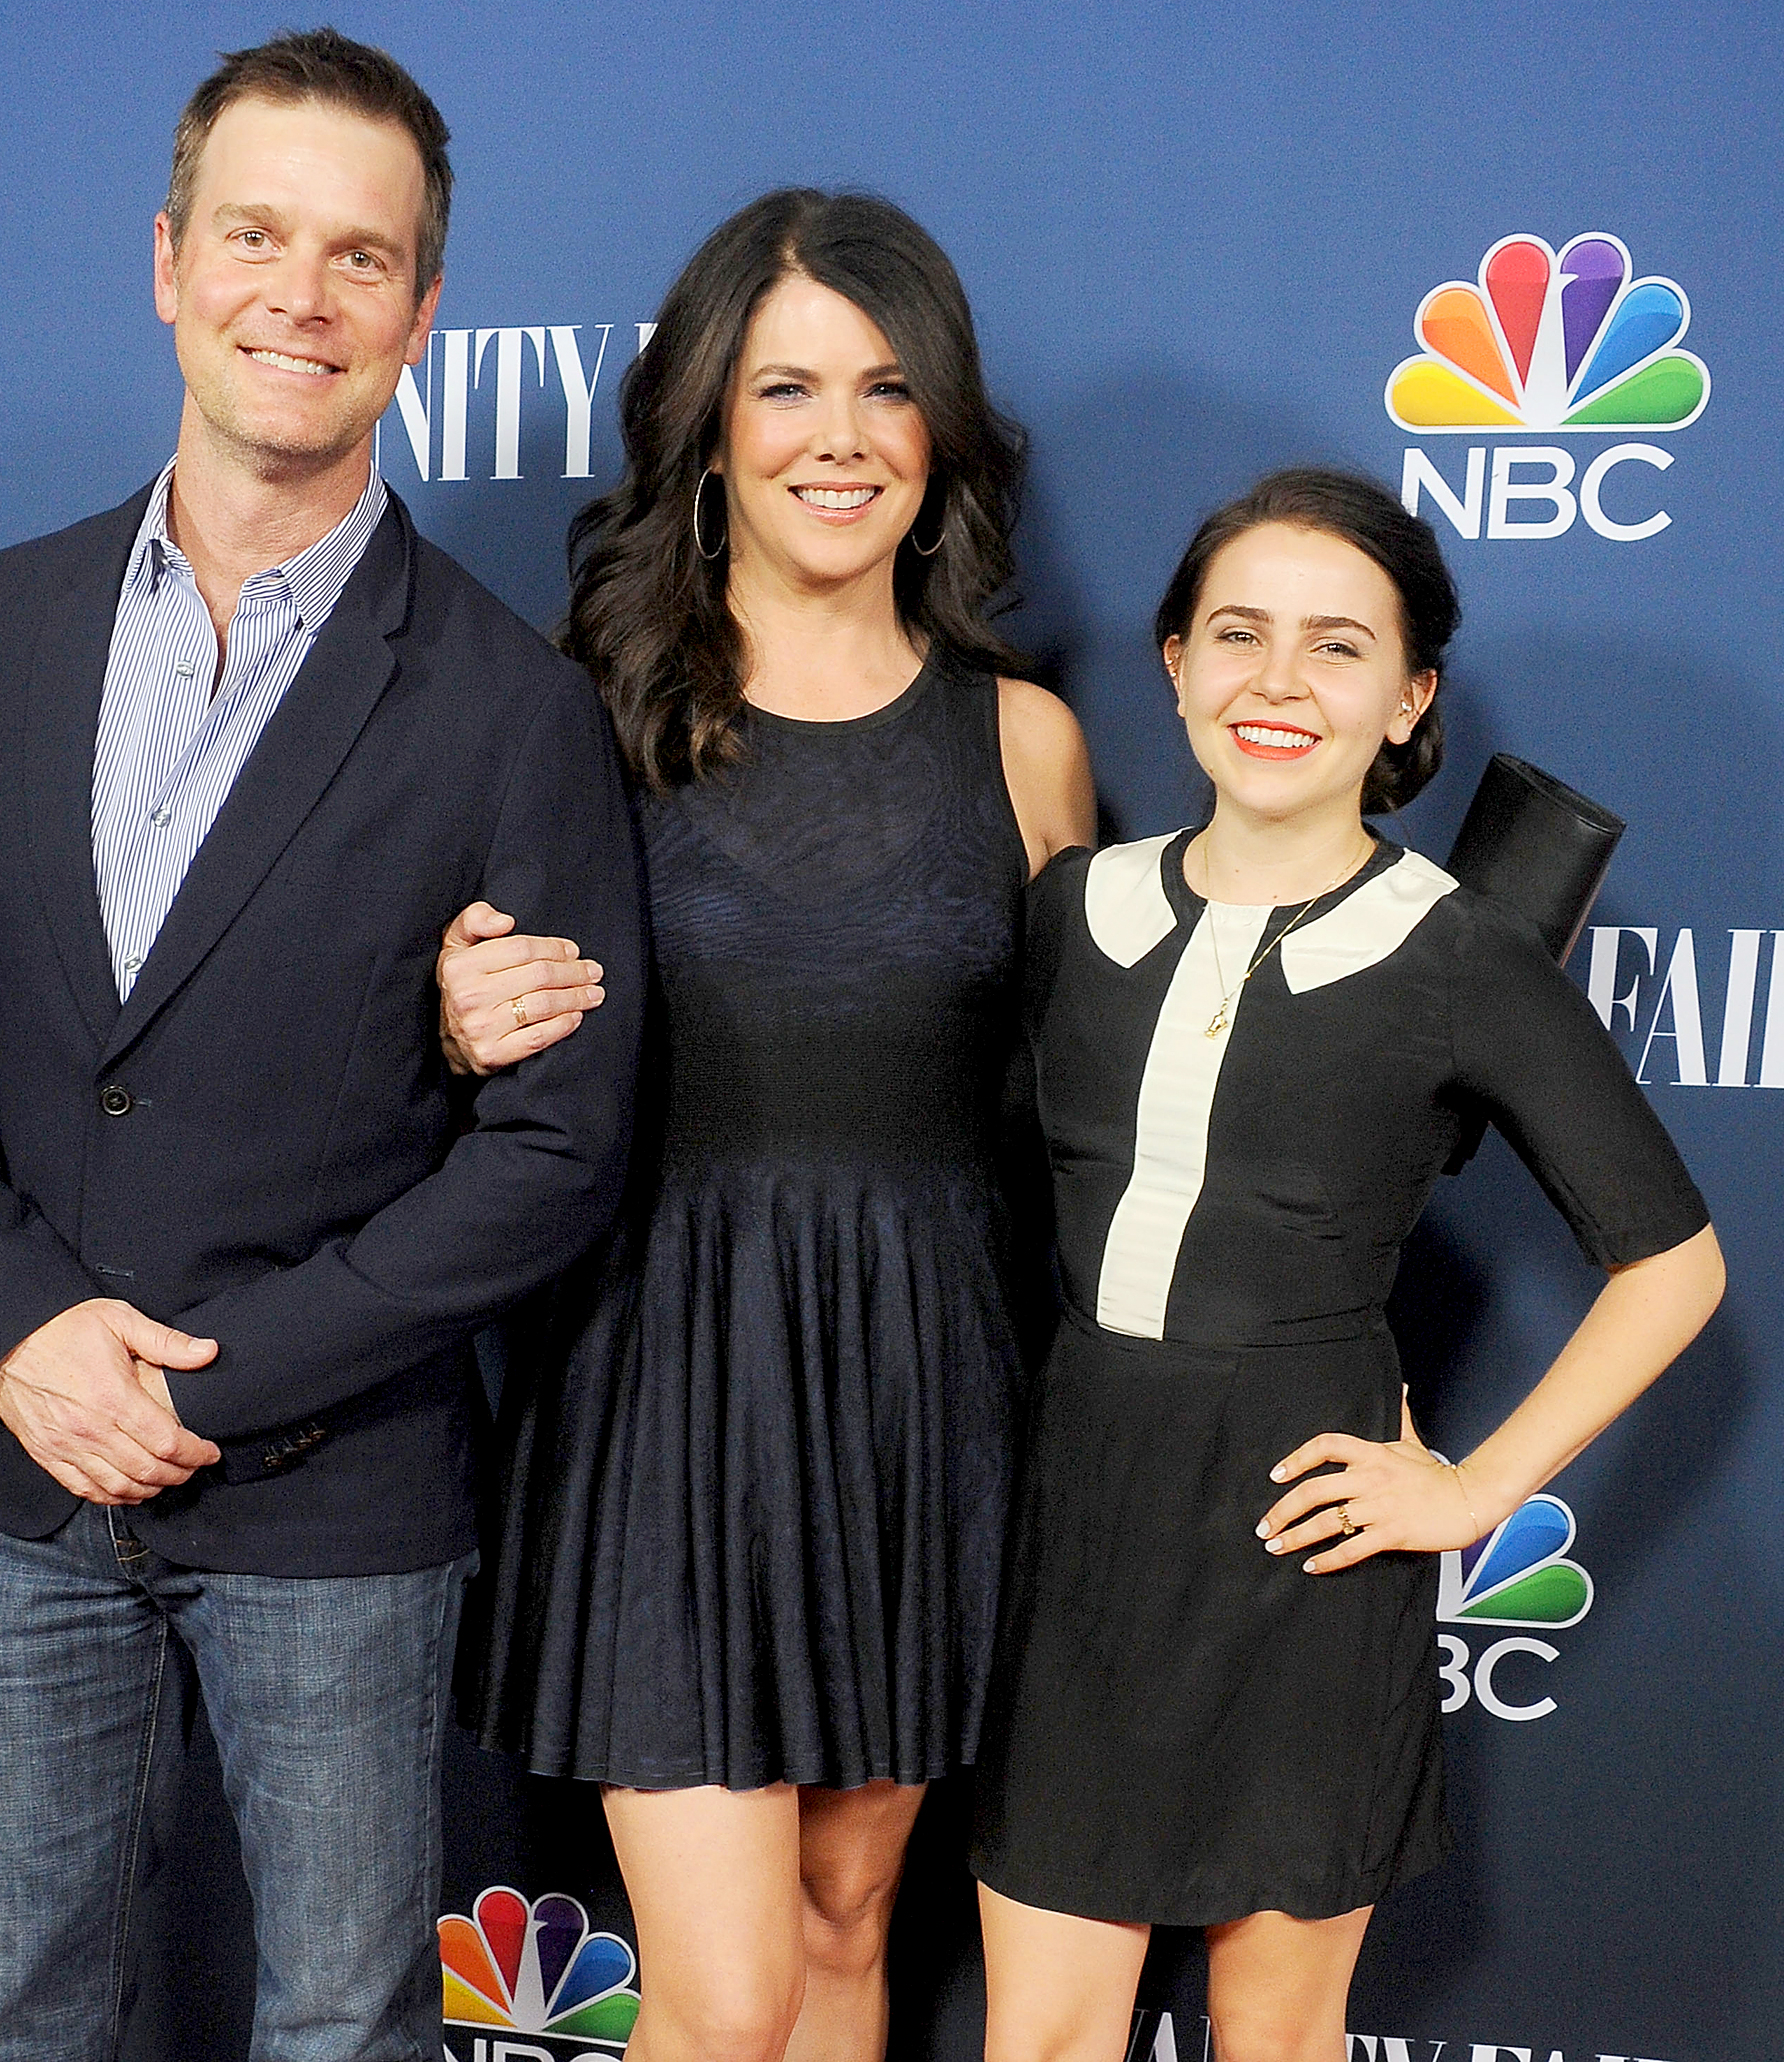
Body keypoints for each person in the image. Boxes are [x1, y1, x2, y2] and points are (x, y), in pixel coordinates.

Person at [0, 30, 643, 2062]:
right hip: (15, 1464)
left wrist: (210, 1378)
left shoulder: (512, 706)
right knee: (9, 2017)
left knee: (345, 2025)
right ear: (169, 261)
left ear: (423, 312)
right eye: (257, 237)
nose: (303, 295)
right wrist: (30, 1333)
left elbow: (553, 1149)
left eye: (362, 257)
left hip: (332, 1492)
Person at [434, 189, 1095, 2062]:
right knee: (722, 1999)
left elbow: (1106, 1102)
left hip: (929, 1390)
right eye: (787, 387)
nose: (840, 436)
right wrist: (453, 1019)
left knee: (844, 1918)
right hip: (661, 1379)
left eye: (886, 388)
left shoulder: (1025, 741)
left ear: (940, 429)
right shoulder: (577, 716)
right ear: (710, 427)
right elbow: (434, 1035)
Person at [968, 468, 1724, 2062]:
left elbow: (1674, 1264)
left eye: (1337, 646)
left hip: (1304, 1555)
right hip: (1082, 1532)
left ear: (1410, 697)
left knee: (1276, 2035)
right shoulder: (1071, 912)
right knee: (1041, 2039)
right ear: (1175, 662)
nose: (1279, 682)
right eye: (1238, 633)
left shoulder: (1462, 953)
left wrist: (1475, 1487)